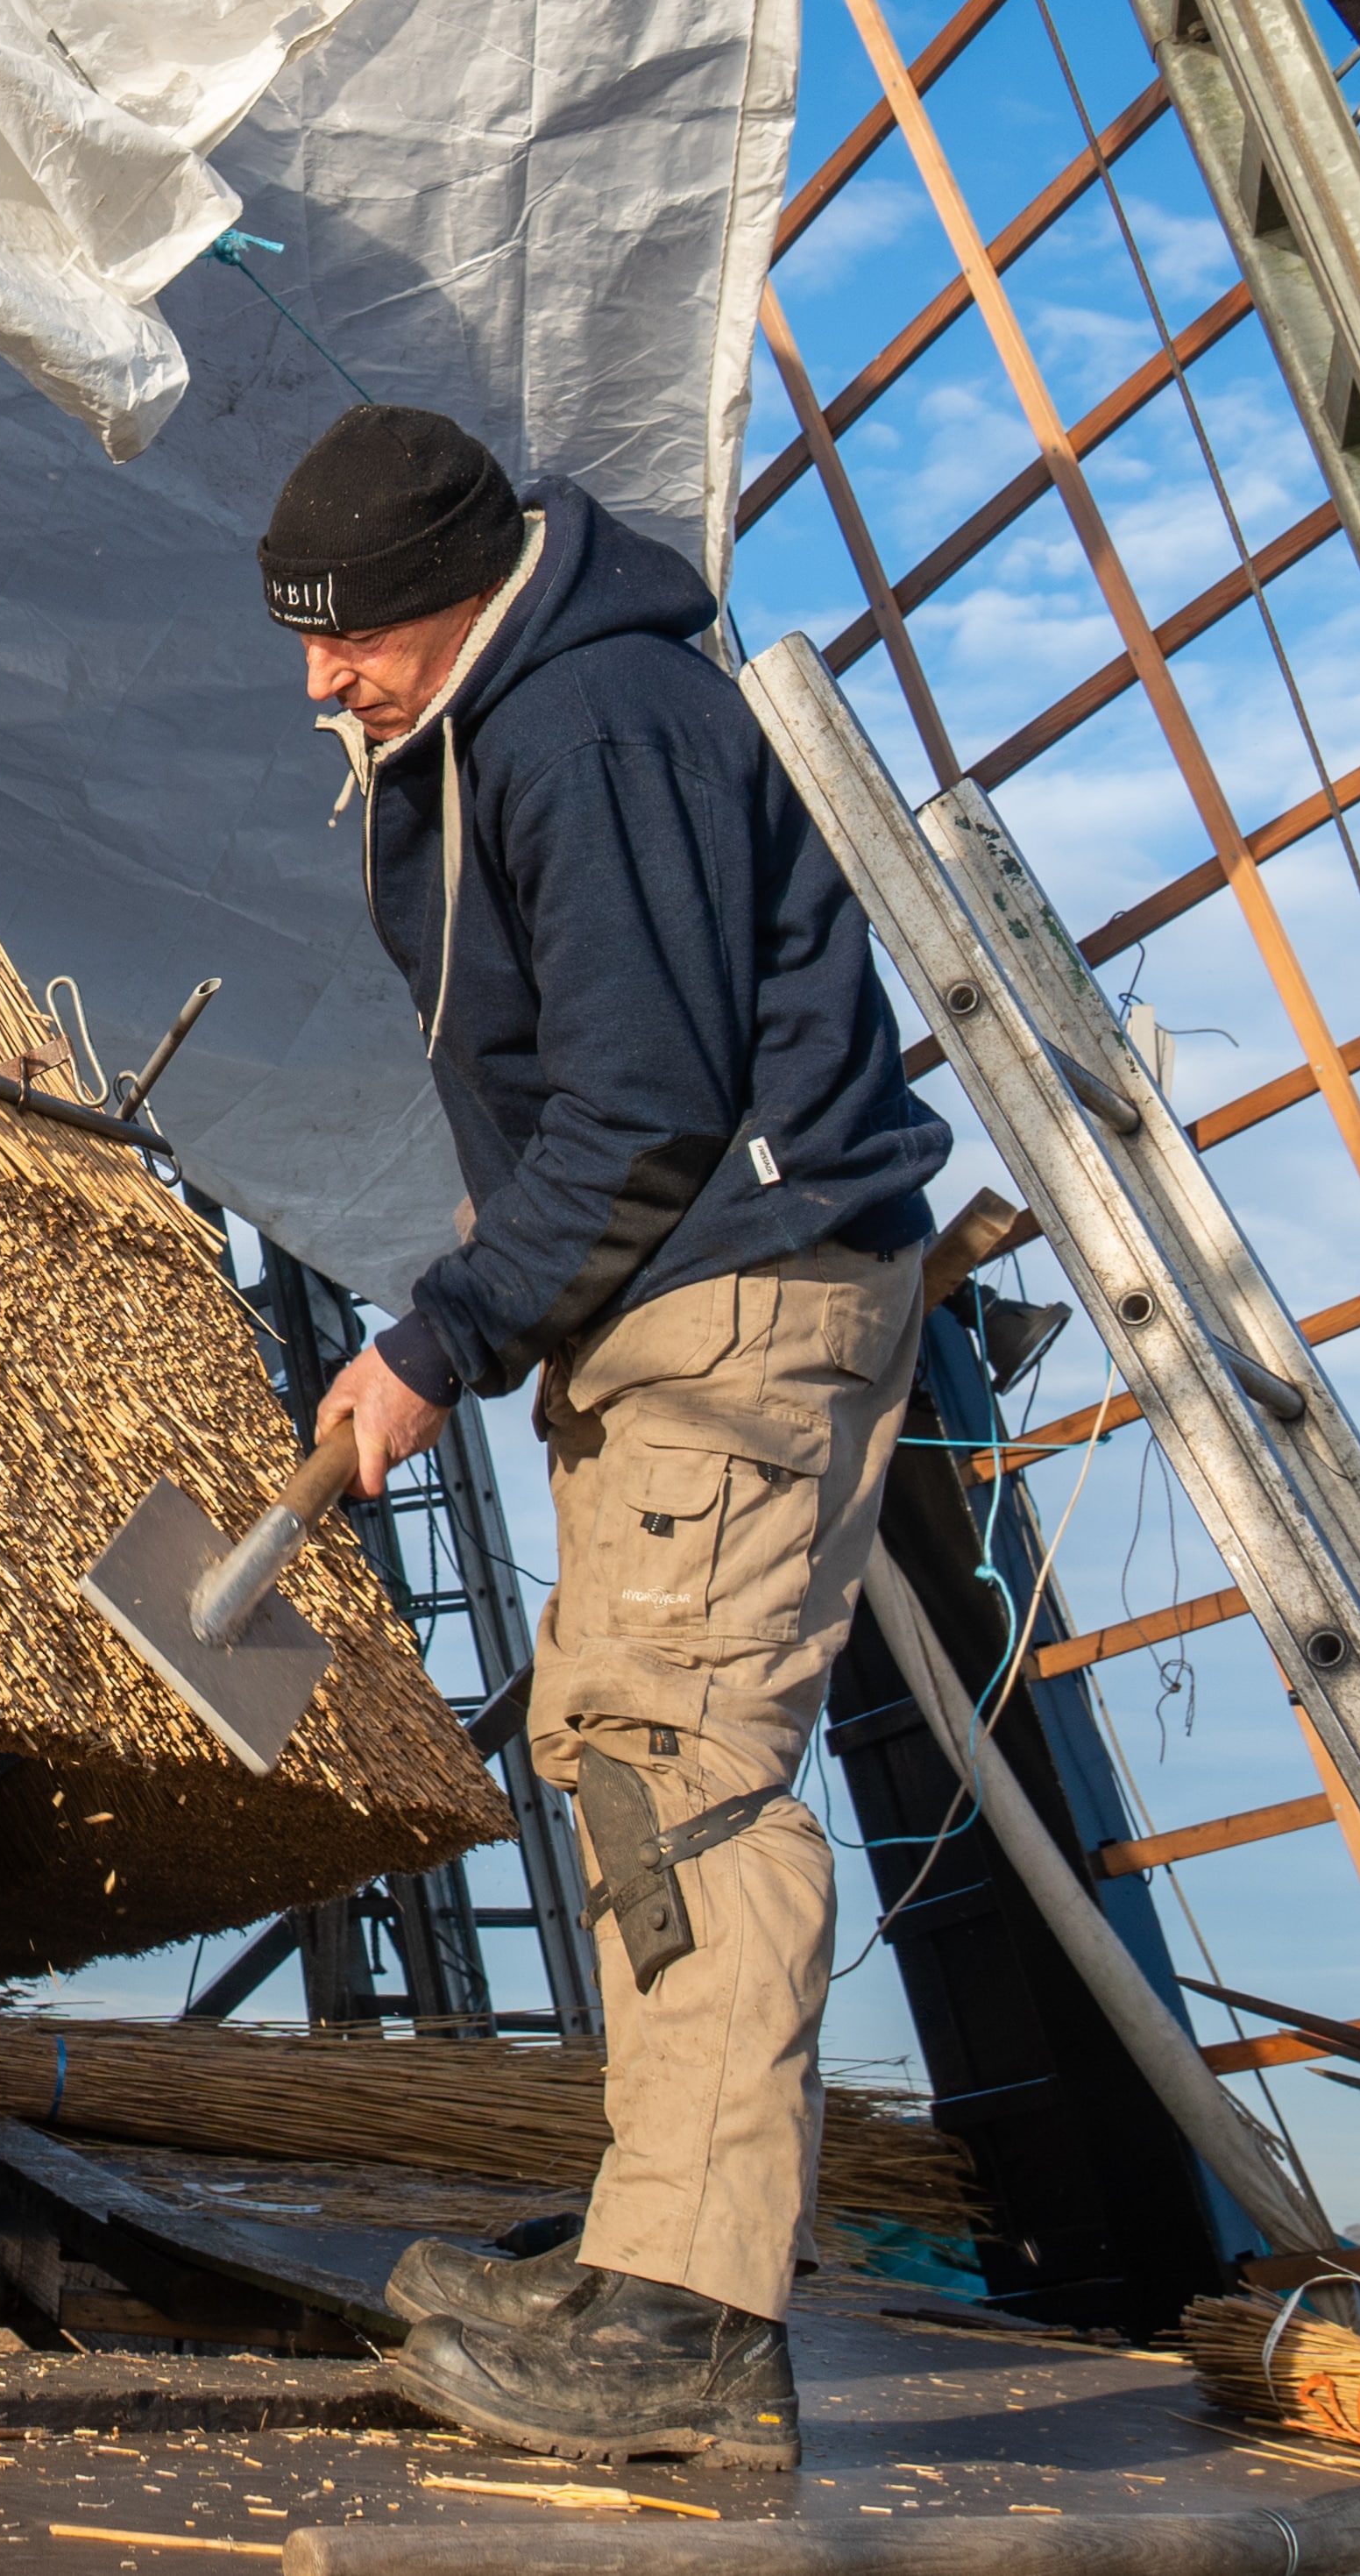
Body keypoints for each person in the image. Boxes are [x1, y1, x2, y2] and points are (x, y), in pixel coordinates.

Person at [261, 403, 953, 2469]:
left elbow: (644, 1101)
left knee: (682, 1766)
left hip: (735, 1298)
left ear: (455, 594)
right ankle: (649, 2248)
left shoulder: (589, 729)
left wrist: (439, 1334)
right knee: (621, 1757)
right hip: (665, 1309)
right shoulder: (503, 720)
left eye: (349, 636)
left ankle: (693, 2324)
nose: (319, 678)